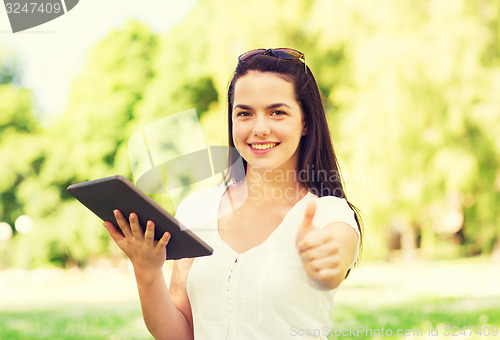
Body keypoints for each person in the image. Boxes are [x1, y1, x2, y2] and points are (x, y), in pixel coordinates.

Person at [103, 48, 362, 340]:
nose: (259, 128)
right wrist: (146, 270)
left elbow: (334, 256)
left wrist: (325, 261)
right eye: (245, 113)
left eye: (277, 112)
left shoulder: (329, 214)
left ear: (305, 122)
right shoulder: (196, 210)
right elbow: (179, 335)